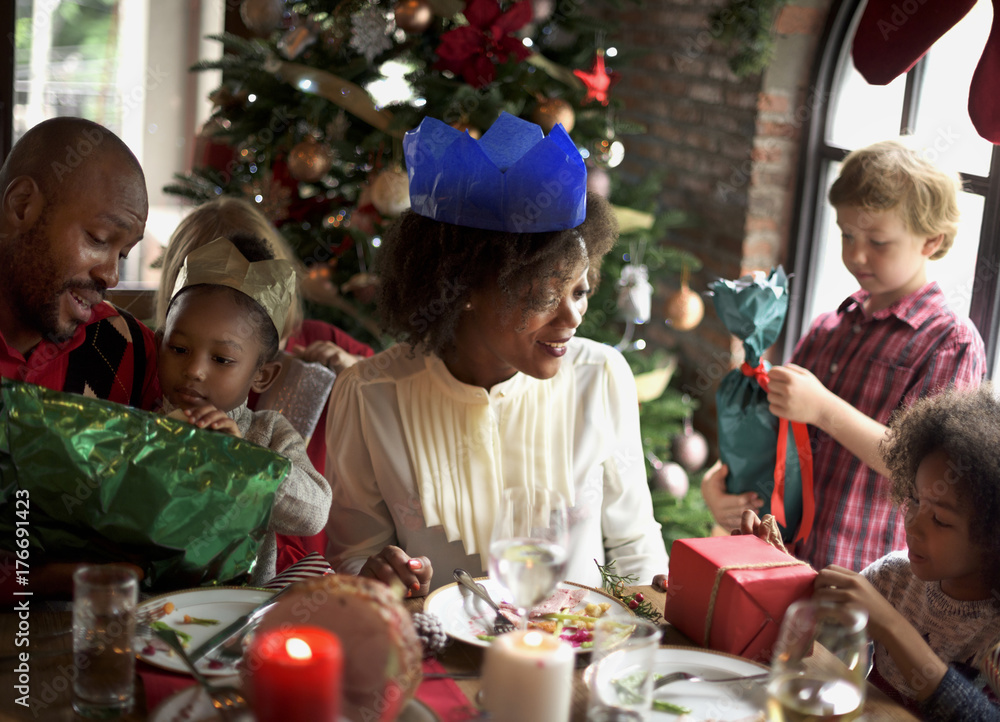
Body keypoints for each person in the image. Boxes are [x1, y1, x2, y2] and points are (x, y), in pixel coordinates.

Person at [324, 112, 670, 591]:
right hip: (435, 661)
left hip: (576, 654)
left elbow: (635, 545)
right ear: (464, 288)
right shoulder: (368, 396)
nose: (572, 318)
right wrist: (374, 570)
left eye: (580, 291)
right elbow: (351, 557)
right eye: (545, 297)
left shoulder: (603, 375)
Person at [701, 139, 986, 571]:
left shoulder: (950, 342)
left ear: (931, 240)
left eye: (878, 241)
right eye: (847, 234)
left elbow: (927, 473)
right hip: (781, 559)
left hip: (862, 577)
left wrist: (823, 408)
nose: (855, 254)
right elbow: (779, 441)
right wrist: (717, 486)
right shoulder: (827, 328)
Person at [739, 383, 1000, 721]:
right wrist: (771, 569)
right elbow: (802, 636)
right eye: (916, 501)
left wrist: (891, 625)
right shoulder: (894, 577)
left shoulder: (993, 632)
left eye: (939, 519)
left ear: (991, 537)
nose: (914, 526)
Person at [156, 197, 375, 570]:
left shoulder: (267, 432)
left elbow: (313, 510)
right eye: (178, 348)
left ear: (262, 372)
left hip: (250, 607)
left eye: (222, 358)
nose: (194, 371)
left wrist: (244, 460)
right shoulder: (149, 419)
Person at [0, 117, 157, 602]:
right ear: (22, 205)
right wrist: (48, 579)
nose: (110, 273)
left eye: (123, 253)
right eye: (97, 237)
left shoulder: (126, 348)